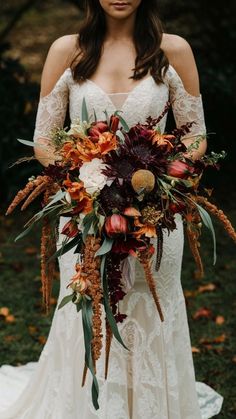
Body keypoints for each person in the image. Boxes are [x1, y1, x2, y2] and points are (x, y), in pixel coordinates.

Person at [0, 1, 224, 418]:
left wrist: (163, 180)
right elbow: (44, 142)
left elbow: (196, 138)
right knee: (92, 304)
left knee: (152, 305)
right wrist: (87, 188)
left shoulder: (172, 50)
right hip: (86, 215)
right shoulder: (67, 51)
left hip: (155, 216)